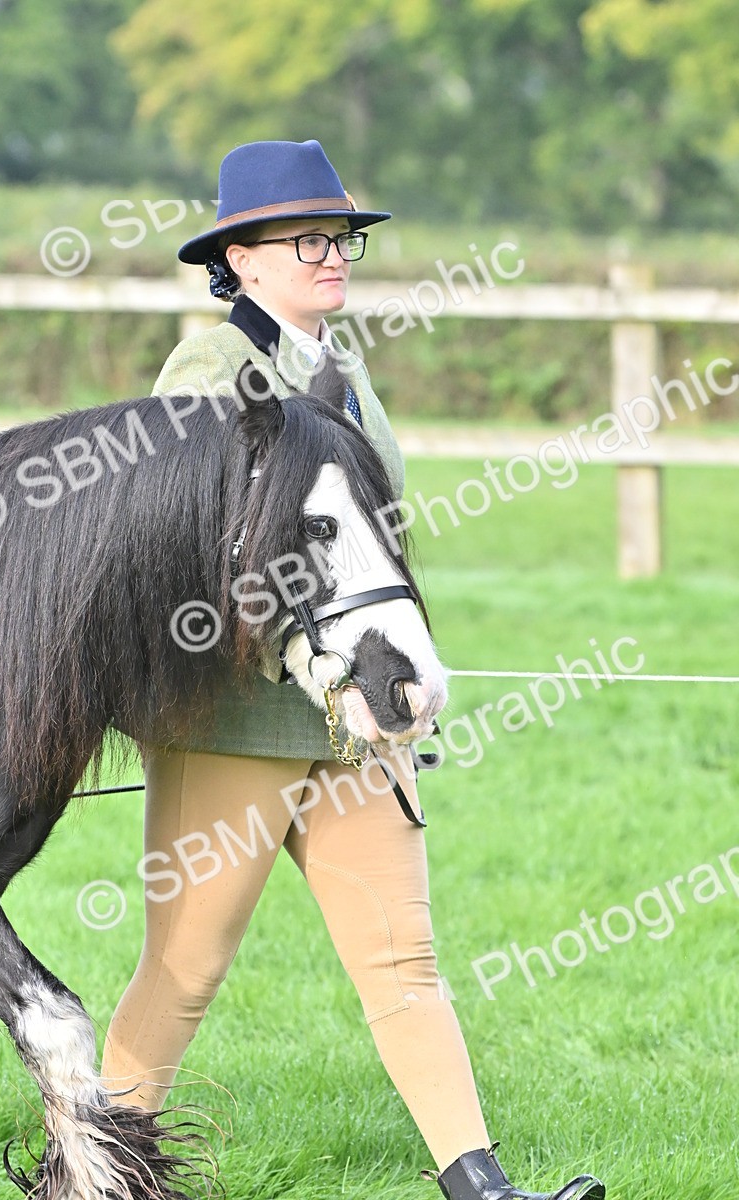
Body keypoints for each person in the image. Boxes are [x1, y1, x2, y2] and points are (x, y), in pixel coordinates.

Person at [101, 139, 606, 1200]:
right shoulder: (209, 371)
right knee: (186, 971)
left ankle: (480, 1187)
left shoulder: (345, 362)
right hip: (233, 722)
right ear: (239, 257)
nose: (334, 256)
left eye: (341, 239)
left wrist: (394, 670)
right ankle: (93, 1174)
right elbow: (198, 553)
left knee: (402, 961)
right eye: (309, 240)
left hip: (358, 726)